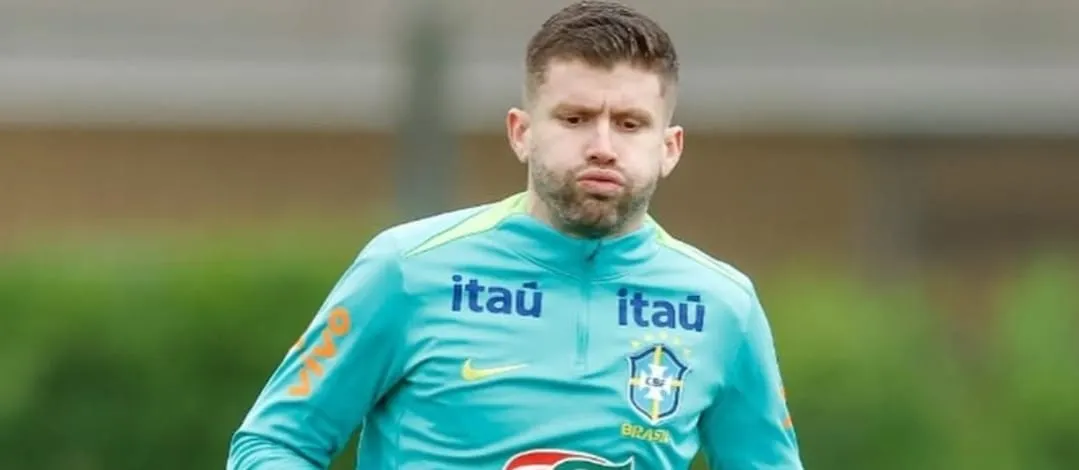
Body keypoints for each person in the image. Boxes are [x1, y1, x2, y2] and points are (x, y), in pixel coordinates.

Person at [226, 1, 804, 469]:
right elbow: (272, 445)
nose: (602, 145)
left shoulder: (723, 305)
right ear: (521, 132)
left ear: (669, 147)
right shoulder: (408, 268)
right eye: (575, 118)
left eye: (630, 124)